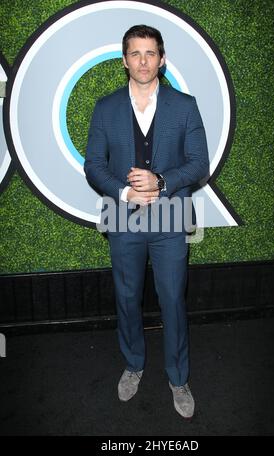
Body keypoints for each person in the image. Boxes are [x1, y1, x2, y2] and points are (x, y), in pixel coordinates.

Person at [84, 24, 209, 419]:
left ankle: (178, 378)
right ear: (124, 60)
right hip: (122, 217)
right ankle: (134, 365)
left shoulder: (185, 105)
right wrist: (124, 193)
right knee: (126, 298)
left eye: (151, 53)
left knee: (173, 300)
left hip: (171, 217)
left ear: (162, 59)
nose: (143, 61)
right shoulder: (105, 108)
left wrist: (163, 182)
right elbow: (93, 165)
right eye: (135, 54)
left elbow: (199, 164)